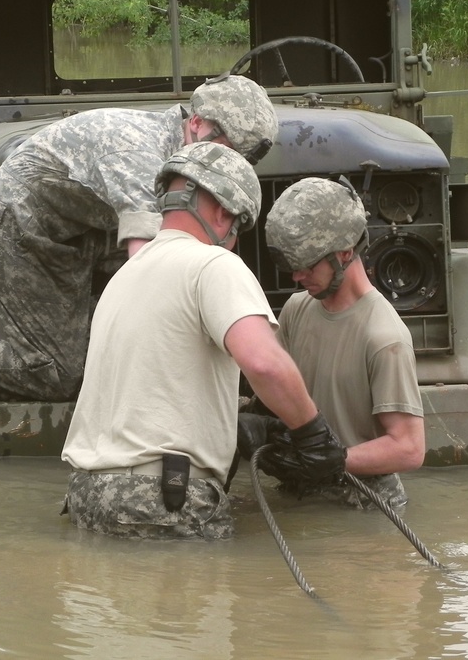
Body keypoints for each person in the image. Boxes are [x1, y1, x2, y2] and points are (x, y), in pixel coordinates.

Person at [0, 74, 279, 407]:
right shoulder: (138, 153)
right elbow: (153, 268)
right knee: (57, 373)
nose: (227, 165)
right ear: (196, 123)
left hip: (80, 232)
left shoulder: (180, 152)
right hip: (18, 227)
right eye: (224, 148)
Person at [60, 143, 345, 540]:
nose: (232, 240)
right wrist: (313, 435)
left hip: (87, 496)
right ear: (224, 212)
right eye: (238, 228)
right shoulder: (214, 265)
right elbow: (263, 363)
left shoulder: (124, 277)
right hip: (162, 500)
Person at [240, 176, 425, 508]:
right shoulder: (298, 309)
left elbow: (409, 448)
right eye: (291, 266)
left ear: (345, 252)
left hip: (362, 502)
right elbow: (276, 392)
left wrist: (334, 459)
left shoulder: (385, 338)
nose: (297, 276)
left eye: (308, 265)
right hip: (299, 491)